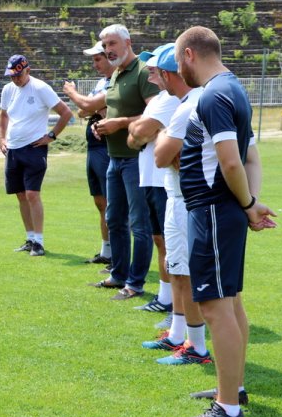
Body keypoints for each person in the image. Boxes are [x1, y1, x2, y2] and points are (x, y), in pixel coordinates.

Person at [174, 26, 275, 417]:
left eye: (179, 61)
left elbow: (232, 162)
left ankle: (228, 409)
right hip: (224, 210)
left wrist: (248, 204)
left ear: (189, 55)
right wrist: (249, 204)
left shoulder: (215, 94)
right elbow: (252, 159)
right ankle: (233, 387)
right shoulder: (234, 88)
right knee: (230, 302)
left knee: (216, 308)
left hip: (213, 210)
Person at [140, 43, 210, 366]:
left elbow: (161, 154)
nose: (156, 77)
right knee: (177, 268)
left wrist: (164, 137)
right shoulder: (183, 102)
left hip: (187, 199)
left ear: (170, 73)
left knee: (188, 273)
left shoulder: (188, 104)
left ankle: (196, 347)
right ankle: (178, 334)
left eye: (157, 71)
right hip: (176, 196)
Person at [88, 24, 160, 301]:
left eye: (112, 43)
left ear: (128, 42)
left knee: (138, 223)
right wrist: (103, 126)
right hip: (114, 158)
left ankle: (135, 283)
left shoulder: (142, 71)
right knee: (114, 219)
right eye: (105, 45)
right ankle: (118, 274)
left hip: (136, 159)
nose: (108, 49)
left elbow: (154, 116)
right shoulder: (116, 73)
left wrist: (119, 123)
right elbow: (114, 110)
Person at [0, 54, 72, 256]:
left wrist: (52, 135)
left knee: (32, 194)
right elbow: (4, 114)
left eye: (18, 75)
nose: (15, 79)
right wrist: (1, 138)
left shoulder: (41, 88)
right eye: (12, 75)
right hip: (13, 149)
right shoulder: (8, 89)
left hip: (34, 148)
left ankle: (39, 241)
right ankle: (30, 238)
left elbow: (66, 112)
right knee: (20, 194)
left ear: (27, 70)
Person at [127, 44, 180, 315]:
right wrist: (140, 131)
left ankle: (176, 305)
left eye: (153, 70)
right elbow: (133, 136)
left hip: (163, 181)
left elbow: (142, 131)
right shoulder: (159, 100)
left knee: (171, 245)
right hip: (150, 178)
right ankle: (166, 298)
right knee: (161, 241)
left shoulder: (171, 99)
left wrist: (142, 131)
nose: (149, 76)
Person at [63, 41, 112, 264]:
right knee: (99, 202)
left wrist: (83, 100)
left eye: (97, 59)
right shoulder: (101, 83)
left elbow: (87, 106)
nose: (95, 64)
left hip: (107, 147)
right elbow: (83, 110)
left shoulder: (116, 83)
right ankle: (106, 251)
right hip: (93, 148)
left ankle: (117, 256)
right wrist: (92, 106)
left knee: (112, 203)